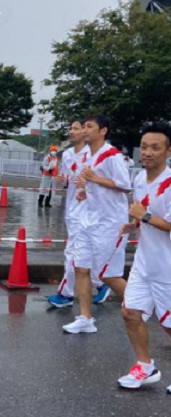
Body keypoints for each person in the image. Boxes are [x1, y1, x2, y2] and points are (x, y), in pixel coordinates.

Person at [63, 115, 131, 334]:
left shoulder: (112, 155)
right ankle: (85, 318)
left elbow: (124, 186)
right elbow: (93, 184)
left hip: (110, 223)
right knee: (81, 268)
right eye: (83, 127)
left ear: (103, 131)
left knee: (108, 274)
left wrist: (94, 180)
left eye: (89, 127)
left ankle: (141, 306)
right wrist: (85, 192)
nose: (84, 130)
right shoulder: (88, 157)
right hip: (88, 220)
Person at [117, 123, 171, 392]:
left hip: (167, 266)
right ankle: (145, 366)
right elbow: (145, 214)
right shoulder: (139, 179)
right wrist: (135, 225)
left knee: (169, 324)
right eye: (145, 146)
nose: (148, 152)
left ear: (168, 151)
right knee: (130, 312)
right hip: (144, 262)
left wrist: (144, 217)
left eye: (155, 147)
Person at [47, 120, 110, 308]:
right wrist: (63, 179)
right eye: (70, 128)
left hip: (87, 210)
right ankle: (101, 284)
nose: (71, 132)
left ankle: (65, 294)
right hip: (71, 208)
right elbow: (68, 178)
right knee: (82, 253)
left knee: (72, 252)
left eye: (76, 128)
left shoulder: (92, 154)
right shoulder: (66, 154)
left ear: (84, 131)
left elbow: (103, 181)